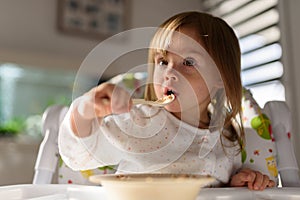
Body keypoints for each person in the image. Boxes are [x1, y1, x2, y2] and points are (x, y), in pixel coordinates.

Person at [58, 11, 275, 190]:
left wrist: (237, 183)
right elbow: (79, 154)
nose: (170, 72)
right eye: (163, 61)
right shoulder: (139, 121)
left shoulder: (227, 139)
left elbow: (220, 189)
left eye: (188, 62)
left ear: (220, 78)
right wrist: (86, 110)